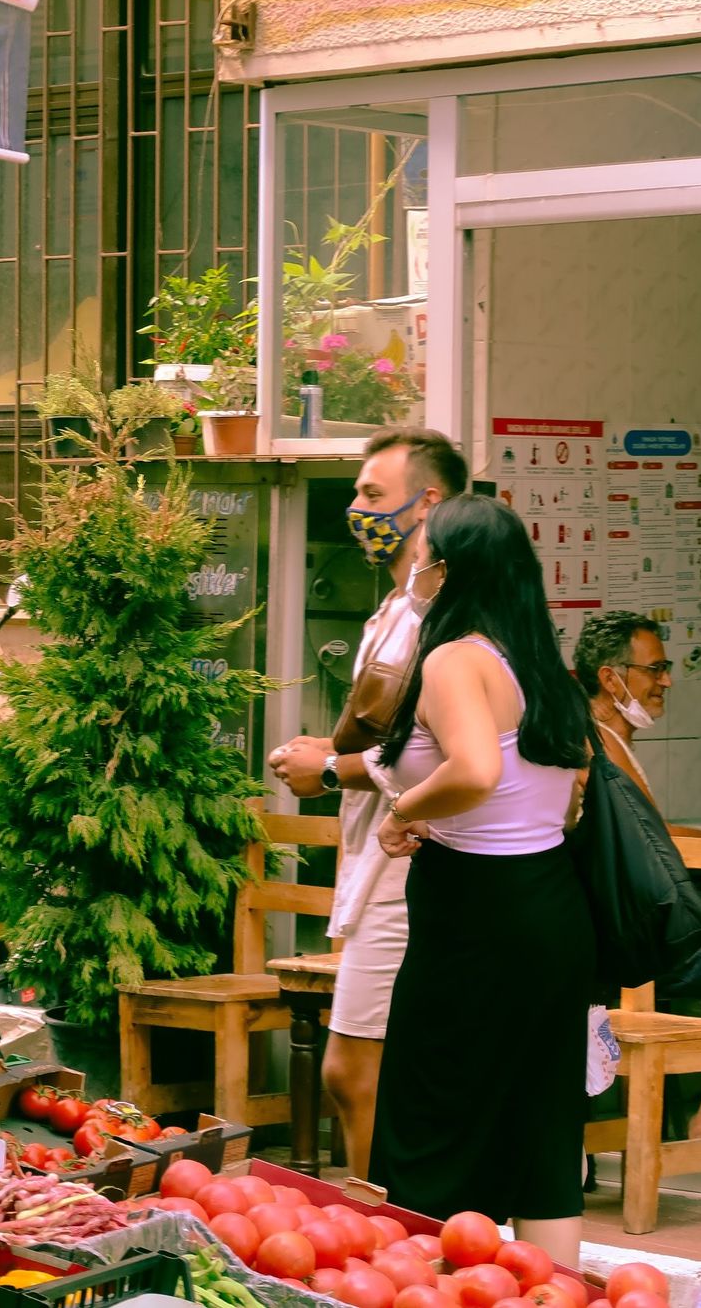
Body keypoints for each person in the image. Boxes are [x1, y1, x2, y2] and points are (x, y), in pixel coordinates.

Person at [370, 494, 595, 1264]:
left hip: (476, 912)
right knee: (543, 1128)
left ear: (451, 568)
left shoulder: (455, 658)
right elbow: (565, 798)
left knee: (432, 1116)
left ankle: (420, 1280)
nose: (413, 563)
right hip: (551, 905)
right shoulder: (537, 662)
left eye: (423, 549)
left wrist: (403, 809)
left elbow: (475, 769)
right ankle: (550, 1286)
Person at [268, 427, 468, 1175]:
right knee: (366, 1070)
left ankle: (384, 1224)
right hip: (378, 860)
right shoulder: (395, 608)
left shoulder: (443, 617)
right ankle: (387, 1218)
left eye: (373, 495)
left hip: (411, 865)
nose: (356, 507)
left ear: (431, 502)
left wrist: (333, 768)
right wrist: (329, 755)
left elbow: (439, 753)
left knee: (355, 1071)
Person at [573, 610, 701, 1139]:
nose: (667, 680)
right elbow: (651, 845)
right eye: (655, 668)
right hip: (629, 942)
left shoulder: (608, 739)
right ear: (610, 676)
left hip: (639, 926)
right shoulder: (591, 743)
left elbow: (650, 845)